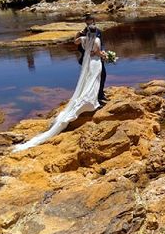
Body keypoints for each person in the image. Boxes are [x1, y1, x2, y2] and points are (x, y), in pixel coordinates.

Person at [12, 24, 106, 152]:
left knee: (87, 81)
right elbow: (97, 52)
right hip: (95, 62)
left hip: (87, 62)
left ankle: (89, 98)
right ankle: (92, 101)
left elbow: (75, 41)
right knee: (94, 81)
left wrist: (79, 33)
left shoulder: (83, 39)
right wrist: (106, 55)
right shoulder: (97, 40)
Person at [76, 14, 107, 105]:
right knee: (89, 77)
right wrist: (89, 52)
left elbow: (102, 43)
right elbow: (79, 47)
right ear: (85, 21)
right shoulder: (83, 33)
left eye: (91, 20)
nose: (89, 21)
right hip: (87, 59)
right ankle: (92, 96)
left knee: (103, 75)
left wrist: (103, 51)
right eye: (88, 20)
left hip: (98, 58)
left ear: (93, 20)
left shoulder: (98, 31)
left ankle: (100, 93)